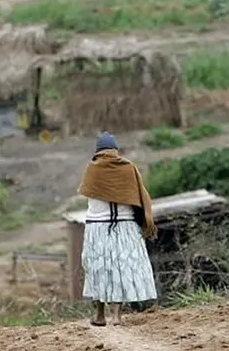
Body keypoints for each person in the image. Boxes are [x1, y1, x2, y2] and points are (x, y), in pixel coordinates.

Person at [77, 132, 158, 327]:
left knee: (97, 268)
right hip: (125, 227)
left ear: (98, 151)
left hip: (97, 228)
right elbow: (139, 197)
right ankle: (117, 316)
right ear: (115, 150)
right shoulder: (128, 168)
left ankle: (99, 315)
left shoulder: (92, 169)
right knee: (121, 269)